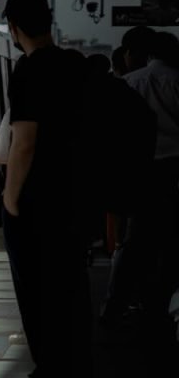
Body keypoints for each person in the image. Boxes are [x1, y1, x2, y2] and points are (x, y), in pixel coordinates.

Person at [1, 0, 90, 377]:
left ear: (13, 27)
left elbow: (24, 144)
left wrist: (10, 199)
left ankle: (50, 364)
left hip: (38, 200)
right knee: (70, 280)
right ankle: (73, 359)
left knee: (35, 289)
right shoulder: (76, 66)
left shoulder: (29, 70)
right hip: (74, 193)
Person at [122, 30, 179, 337]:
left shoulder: (131, 82)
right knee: (171, 240)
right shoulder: (177, 80)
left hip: (140, 172)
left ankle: (136, 301)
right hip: (174, 171)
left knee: (137, 240)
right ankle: (161, 301)